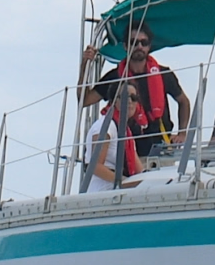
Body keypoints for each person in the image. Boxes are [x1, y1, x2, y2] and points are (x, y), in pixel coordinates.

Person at [79, 20, 191, 163]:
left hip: (161, 150)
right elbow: (85, 100)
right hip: (126, 154)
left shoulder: (164, 74)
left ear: (149, 46)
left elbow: (184, 101)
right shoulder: (114, 77)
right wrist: (84, 67)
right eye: (134, 42)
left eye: (143, 43)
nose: (139, 46)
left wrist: (182, 133)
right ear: (126, 46)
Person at [84, 82, 145, 192]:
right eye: (125, 97)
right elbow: (95, 166)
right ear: (113, 101)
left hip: (117, 190)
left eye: (134, 97)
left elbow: (139, 170)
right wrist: (124, 182)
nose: (130, 101)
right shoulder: (106, 126)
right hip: (102, 190)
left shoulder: (125, 133)